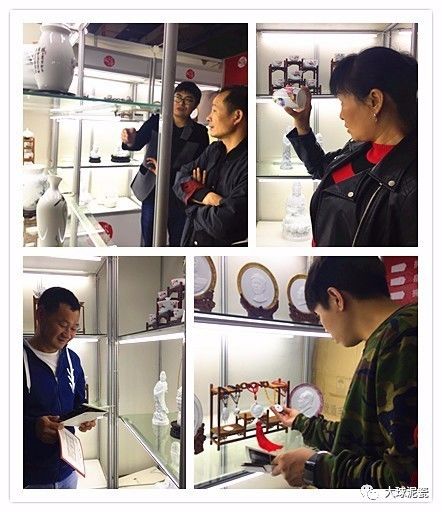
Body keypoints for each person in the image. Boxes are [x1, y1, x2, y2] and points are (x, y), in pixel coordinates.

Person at [271, 256, 417, 489]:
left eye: (319, 315)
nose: (323, 326)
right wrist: (301, 422)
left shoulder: (402, 342)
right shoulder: (393, 335)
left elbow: (405, 482)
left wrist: (316, 468)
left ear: (336, 298)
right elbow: (364, 435)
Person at [283, 47, 417, 246]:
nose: (341, 114)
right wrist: (302, 126)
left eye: (342, 102)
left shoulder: (413, 184)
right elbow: (320, 168)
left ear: (375, 101)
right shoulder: (361, 146)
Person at [23, 287, 96, 489]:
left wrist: (85, 416)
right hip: (30, 478)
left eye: (74, 328)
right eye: (63, 325)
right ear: (40, 315)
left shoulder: (73, 360)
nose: (68, 334)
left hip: (68, 471)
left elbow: (78, 403)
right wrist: (33, 427)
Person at [121, 81, 209, 246]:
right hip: (151, 189)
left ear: (195, 105)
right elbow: (136, 143)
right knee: (150, 237)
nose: (181, 103)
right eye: (178, 97)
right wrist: (130, 140)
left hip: (180, 194)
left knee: (179, 239)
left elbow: (199, 166)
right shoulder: (156, 121)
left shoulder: (199, 133)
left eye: (188, 100)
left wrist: (167, 172)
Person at [173, 85, 248, 246]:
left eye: (214, 110)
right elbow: (180, 178)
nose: (208, 117)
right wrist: (207, 196)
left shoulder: (248, 163)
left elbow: (225, 223)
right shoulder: (214, 150)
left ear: (236, 116)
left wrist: (191, 200)